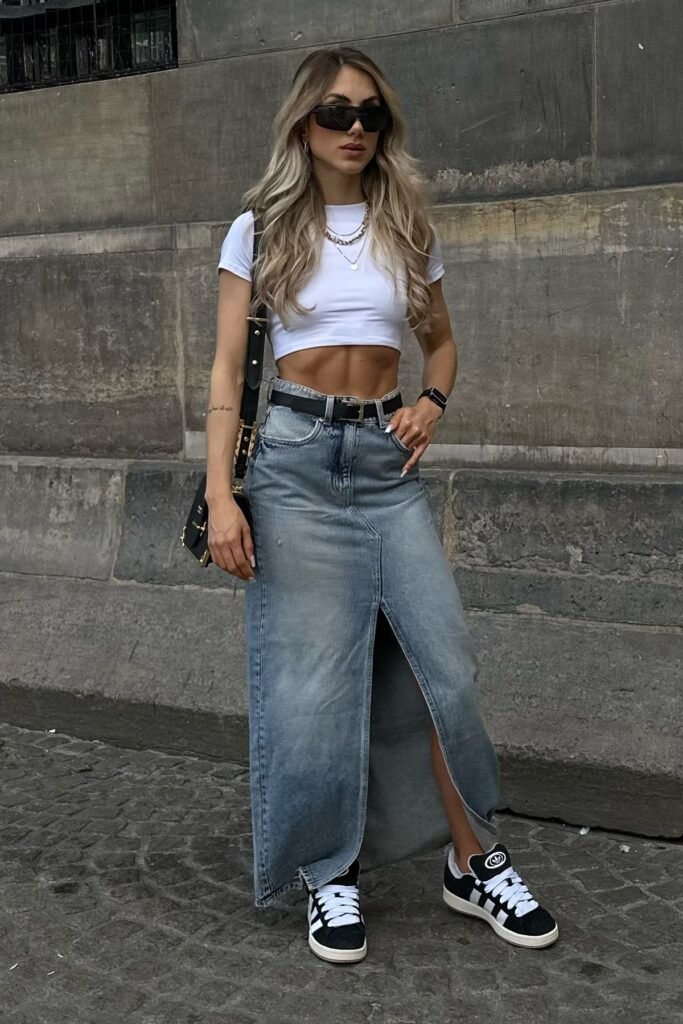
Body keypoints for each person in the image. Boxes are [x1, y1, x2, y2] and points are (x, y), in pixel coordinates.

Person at [206, 45, 558, 964]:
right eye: (335, 113)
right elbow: (222, 371)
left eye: (369, 114)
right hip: (290, 462)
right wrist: (220, 494)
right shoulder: (257, 230)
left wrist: (432, 403)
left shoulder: (406, 226)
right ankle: (330, 873)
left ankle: (470, 861)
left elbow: (440, 347)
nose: (354, 129)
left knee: (448, 669)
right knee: (313, 684)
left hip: (384, 464)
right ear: (302, 125)